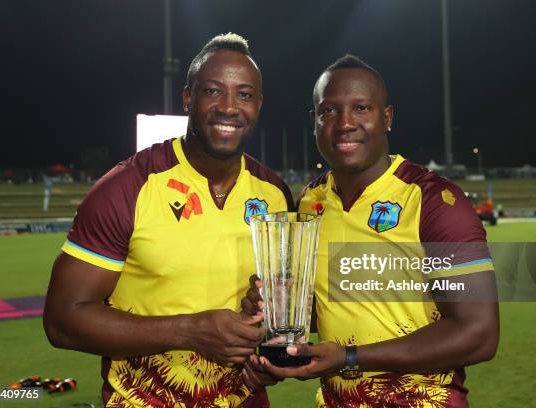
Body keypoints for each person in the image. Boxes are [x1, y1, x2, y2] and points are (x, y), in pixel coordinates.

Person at [43, 33, 293, 407]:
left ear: (258, 104)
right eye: (213, 91)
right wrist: (189, 331)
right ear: (188, 98)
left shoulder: (274, 194)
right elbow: (62, 320)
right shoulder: (128, 187)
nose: (229, 107)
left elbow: (272, 310)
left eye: (244, 95)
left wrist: (265, 347)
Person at [242, 55, 499, 407]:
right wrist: (274, 311)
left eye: (361, 108)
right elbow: (327, 309)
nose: (344, 123)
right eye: (329, 111)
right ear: (314, 122)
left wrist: (350, 357)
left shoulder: (434, 201)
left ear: (387, 117)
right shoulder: (310, 204)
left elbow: (479, 333)